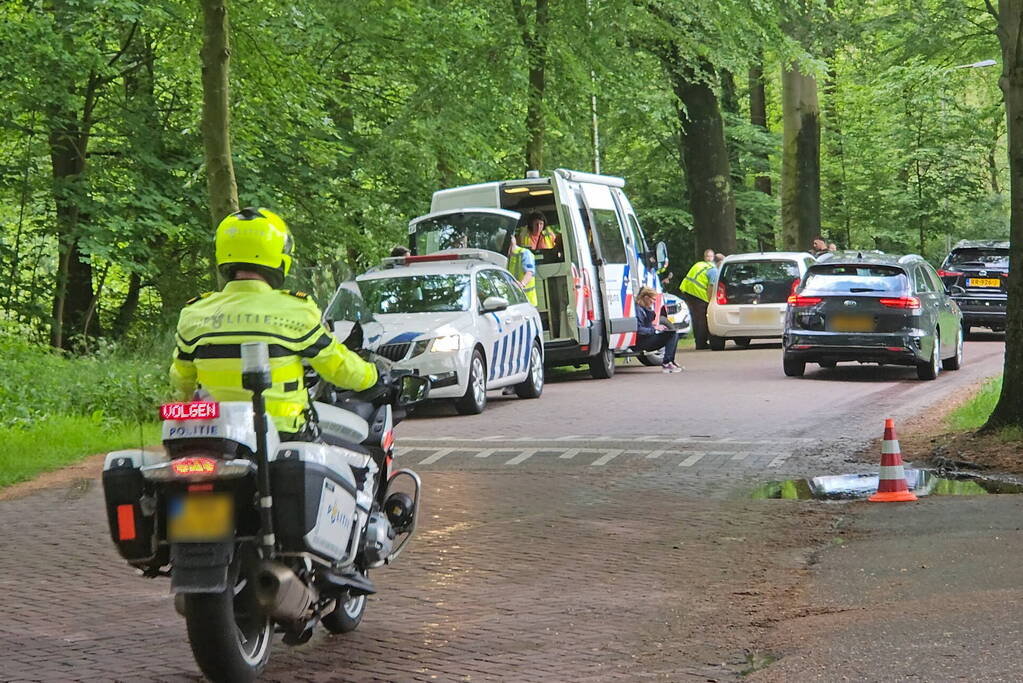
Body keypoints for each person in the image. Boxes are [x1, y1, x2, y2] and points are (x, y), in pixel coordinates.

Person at [170, 207, 378, 440]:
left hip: (215, 436)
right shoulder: (296, 310)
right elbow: (341, 369)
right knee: (358, 467)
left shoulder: (195, 313)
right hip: (282, 434)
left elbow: (182, 380)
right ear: (279, 254)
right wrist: (373, 376)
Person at [635, 287, 683, 373]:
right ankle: (667, 363)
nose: (653, 302)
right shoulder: (638, 310)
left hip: (646, 339)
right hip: (642, 342)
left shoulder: (644, 308)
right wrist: (654, 329)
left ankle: (670, 361)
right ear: (646, 298)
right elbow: (639, 330)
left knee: (673, 333)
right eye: (652, 299)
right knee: (671, 335)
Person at [680, 248, 715, 350]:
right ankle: (701, 343)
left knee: (696, 318)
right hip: (698, 294)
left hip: (688, 291)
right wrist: (710, 301)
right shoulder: (713, 269)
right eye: (708, 256)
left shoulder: (699, 264)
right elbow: (711, 287)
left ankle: (699, 342)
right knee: (702, 320)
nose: (709, 258)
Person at [507, 234, 538, 306]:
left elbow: (529, 272)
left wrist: (521, 284)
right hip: (515, 302)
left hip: (528, 302)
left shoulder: (525, 253)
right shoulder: (507, 257)